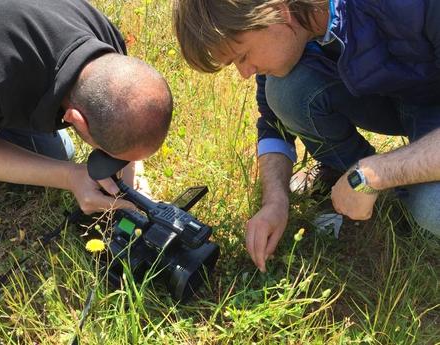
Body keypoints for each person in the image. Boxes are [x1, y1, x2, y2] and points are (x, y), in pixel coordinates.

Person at [172, 0, 440, 272]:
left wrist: (375, 173)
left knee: (434, 208)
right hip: (399, 96)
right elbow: (272, 124)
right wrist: (275, 201)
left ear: (278, 12)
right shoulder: (296, 29)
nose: (244, 73)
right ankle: (362, 187)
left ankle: (374, 184)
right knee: (285, 92)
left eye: (242, 56)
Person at [0, 0, 173, 215]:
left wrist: (133, 177)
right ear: (76, 120)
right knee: (51, 155)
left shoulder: (108, 43)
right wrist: (69, 176)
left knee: (50, 153)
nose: (122, 163)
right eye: (112, 155)